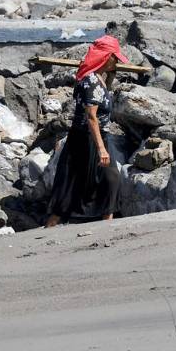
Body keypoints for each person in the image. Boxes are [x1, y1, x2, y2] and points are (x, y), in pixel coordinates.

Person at [45, 35, 129, 227]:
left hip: (98, 138)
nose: (116, 61)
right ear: (105, 57)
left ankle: (107, 223)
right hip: (84, 141)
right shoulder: (90, 81)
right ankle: (51, 225)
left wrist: (110, 79)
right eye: (114, 57)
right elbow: (91, 117)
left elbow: (101, 102)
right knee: (70, 189)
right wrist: (101, 148)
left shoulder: (97, 78)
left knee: (110, 179)